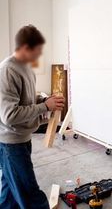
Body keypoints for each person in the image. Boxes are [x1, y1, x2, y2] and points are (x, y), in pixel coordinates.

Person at [0, 25, 65, 209]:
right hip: (11, 144)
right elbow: (9, 115)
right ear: (25, 47)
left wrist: (44, 99)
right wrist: (44, 106)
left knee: (10, 194)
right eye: (37, 51)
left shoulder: (26, 68)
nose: (38, 56)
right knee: (30, 195)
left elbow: (27, 99)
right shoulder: (7, 70)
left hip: (22, 139)